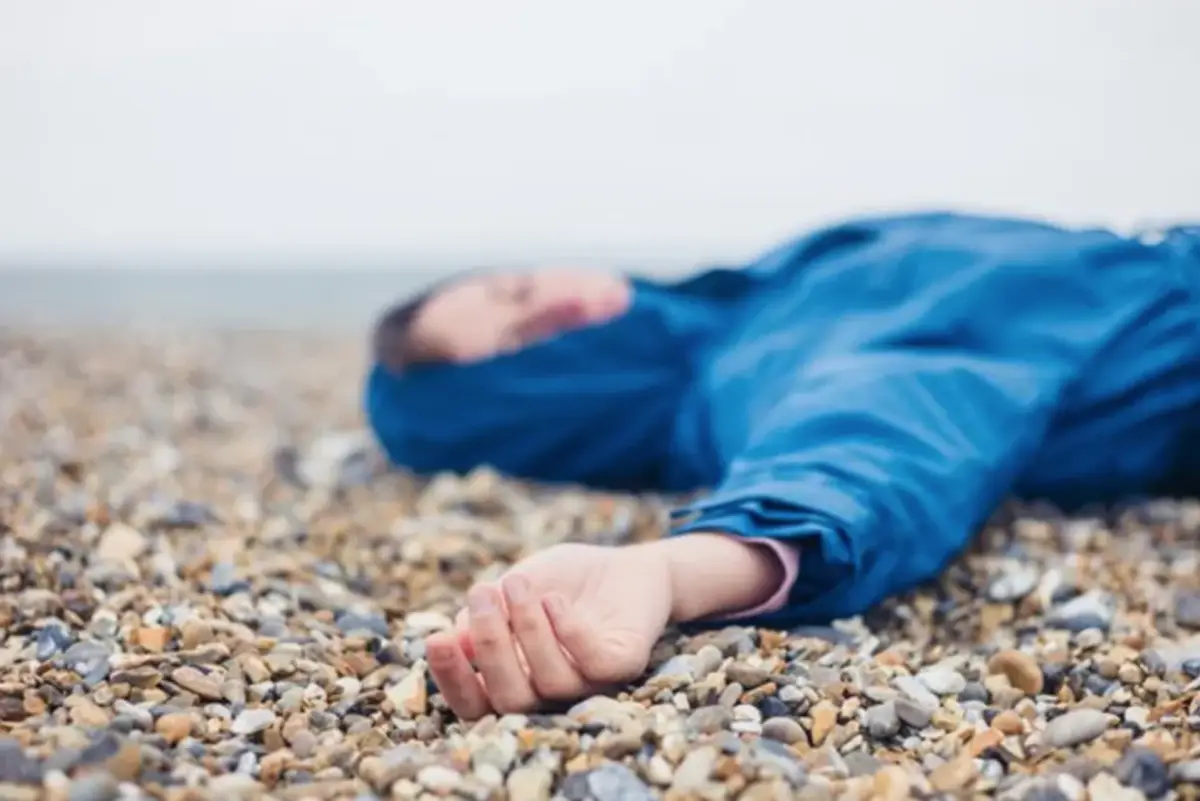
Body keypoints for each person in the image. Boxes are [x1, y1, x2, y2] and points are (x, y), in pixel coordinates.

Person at [365, 211, 1200, 720]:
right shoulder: (747, 371)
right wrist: (676, 570)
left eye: (516, 288)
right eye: (523, 345)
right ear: (537, 409)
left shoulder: (760, 291)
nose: (549, 304)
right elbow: (871, 429)